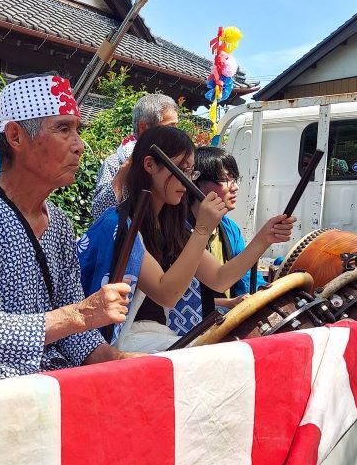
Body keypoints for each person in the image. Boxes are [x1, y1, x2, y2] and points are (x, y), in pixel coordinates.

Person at [0, 73, 134, 390]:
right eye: (63, 129)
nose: (79, 145)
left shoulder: (59, 224)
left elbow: (77, 335)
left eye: (77, 130)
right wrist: (79, 315)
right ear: (16, 137)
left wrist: (115, 360)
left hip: (41, 381)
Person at [79, 126, 295, 353]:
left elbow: (219, 278)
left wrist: (264, 238)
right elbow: (166, 294)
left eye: (191, 172)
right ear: (150, 165)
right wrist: (202, 229)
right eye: (180, 170)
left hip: (157, 336)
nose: (186, 181)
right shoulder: (121, 225)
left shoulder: (173, 225)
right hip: (120, 340)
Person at [192, 146, 265, 308]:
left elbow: (246, 279)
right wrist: (228, 303)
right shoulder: (179, 231)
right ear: (196, 184)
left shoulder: (230, 228)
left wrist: (263, 292)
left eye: (234, 179)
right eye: (225, 180)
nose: (234, 187)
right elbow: (179, 298)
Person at [91, 93, 178, 219]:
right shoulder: (116, 162)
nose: (176, 134)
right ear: (143, 128)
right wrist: (126, 169)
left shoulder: (176, 163)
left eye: (177, 127)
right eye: (170, 127)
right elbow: (99, 212)